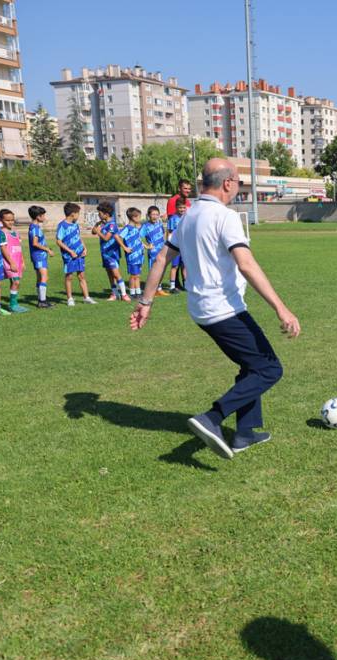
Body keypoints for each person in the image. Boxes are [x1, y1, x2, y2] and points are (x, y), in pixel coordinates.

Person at [130, 158, 300, 459]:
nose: (238, 187)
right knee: (270, 368)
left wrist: (145, 303)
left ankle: (245, 433)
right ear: (227, 183)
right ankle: (213, 417)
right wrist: (281, 309)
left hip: (201, 310)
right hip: (224, 310)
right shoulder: (225, 217)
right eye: (238, 182)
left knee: (251, 365)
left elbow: (159, 260)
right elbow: (246, 264)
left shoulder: (190, 215)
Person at [55, 202, 95, 306]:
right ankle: (70, 299)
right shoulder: (62, 225)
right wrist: (70, 251)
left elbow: (79, 237)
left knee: (82, 275)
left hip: (80, 254)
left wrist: (84, 248)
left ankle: (86, 297)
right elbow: (58, 241)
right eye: (78, 213)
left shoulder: (76, 225)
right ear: (73, 214)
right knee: (69, 276)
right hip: (69, 256)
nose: (78, 216)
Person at [93, 201, 129, 302]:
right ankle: (114, 293)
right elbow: (93, 231)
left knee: (116, 274)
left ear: (106, 214)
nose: (99, 215)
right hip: (104, 253)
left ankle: (124, 294)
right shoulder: (104, 224)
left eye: (100, 213)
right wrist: (97, 225)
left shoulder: (112, 225)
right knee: (109, 273)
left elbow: (106, 238)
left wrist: (98, 232)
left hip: (112, 253)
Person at [0, 209, 29, 313]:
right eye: (7, 220)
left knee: (16, 282)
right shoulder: (2, 233)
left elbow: (19, 248)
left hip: (18, 261)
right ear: (1, 220)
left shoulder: (16, 232)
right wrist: (11, 262)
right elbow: (3, 249)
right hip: (9, 262)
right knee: (16, 281)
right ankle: (13, 304)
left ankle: (13, 303)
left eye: (12, 220)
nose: (10, 222)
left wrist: (23, 261)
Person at [27, 205, 55, 308]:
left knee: (40, 278)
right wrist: (47, 249)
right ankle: (42, 301)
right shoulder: (35, 228)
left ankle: (41, 300)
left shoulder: (34, 227)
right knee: (44, 277)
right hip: (39, 256)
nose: (44, 217)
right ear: (38, 216)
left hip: (38, 255)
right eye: (43, 215)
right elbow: (35, 243)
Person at [141, 206, 169, 296]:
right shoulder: (145, 226)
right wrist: (146, 246)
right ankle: (152, 290)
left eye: (157, 214)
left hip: (162, 250)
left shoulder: (160, 223)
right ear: (149, 215)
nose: (155, 216)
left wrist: (165, 243)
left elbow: (163, 233)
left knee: (161, 269)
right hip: (153, 252)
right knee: (153, 271)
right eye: (153, 214)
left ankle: (159, 289)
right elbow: (137, 237)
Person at [120, 207, 145, 298]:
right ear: (134, 217)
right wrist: (125, 247)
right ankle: (132, 293)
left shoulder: (135, 228)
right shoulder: (128, 228)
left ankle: (138, 292)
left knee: (137, 275)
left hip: (139, 255)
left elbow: (138, 240)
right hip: (132, 256)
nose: (140, 219)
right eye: (139, 217)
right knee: (133, 275)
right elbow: (118, 237)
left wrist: (145, 246)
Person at [166, 197, 188, 292]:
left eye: (183, 207)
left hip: (185, 246)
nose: (182, 209)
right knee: (174, 266)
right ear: (176, 208)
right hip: (175, 246)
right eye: (180, 208)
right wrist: (169, 243)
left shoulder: (187, 217)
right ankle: (172, 286)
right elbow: (169, 232)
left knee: (185, 266)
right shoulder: (173, 219)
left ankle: (186, 285)